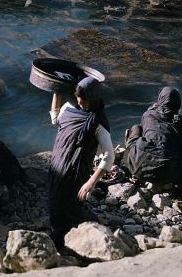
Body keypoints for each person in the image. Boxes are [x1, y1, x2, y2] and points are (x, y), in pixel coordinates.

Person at [48, 77, 114, 248]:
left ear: (93, 98)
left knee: (73, 205)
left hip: (76, 171)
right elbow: (55, 118)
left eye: (84, 102)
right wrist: (56, 89)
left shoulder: (97, 123)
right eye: (79, 101)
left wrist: (91, 182)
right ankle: (60, 237)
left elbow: (109, 155)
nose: (82, 105)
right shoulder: (69, 110)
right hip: (57, 166)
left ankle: (93, 229)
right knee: (55, 203)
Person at [125, 86, 182, 186]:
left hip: (138, 168)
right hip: (170, 175)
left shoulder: (148, 114)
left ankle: (128, 161)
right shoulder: (181, 121)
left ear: (160, 99)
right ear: (178, 103)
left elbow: (147, 132)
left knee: (136, 128)